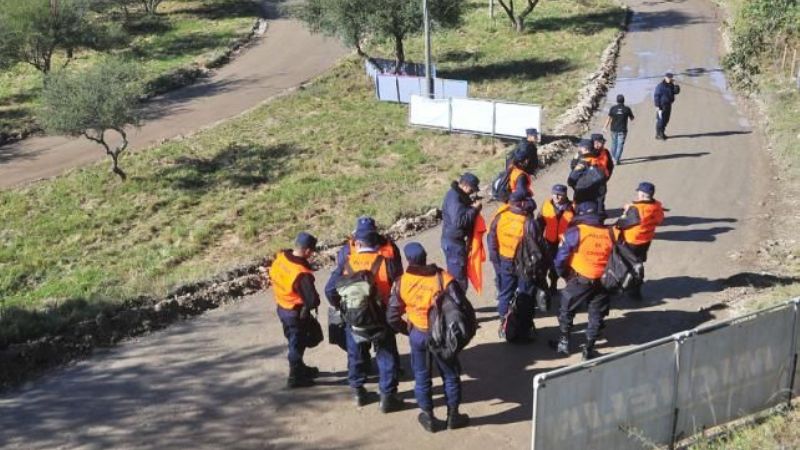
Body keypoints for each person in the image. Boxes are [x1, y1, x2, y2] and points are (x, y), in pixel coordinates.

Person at [387, 242, 470, 433]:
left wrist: (408, 329)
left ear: (408, 260)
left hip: (418, 334)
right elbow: (461, 305)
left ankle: (429, 417)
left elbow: (392, 316)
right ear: (425, 256)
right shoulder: (443, 278)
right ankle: (453, 416)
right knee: (450, 375)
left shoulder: (402, 282)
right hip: (441, 336)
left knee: (422, 377)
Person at [324, 217, 404, 411]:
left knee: (356, 355)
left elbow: (329, 290)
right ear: (375, 239)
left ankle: (359, 392)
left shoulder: (347, 260)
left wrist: (343, 307)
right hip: (381, 317)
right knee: (386, 355)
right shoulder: (386, 261)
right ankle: (387, 397)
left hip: (354, 318)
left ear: (357, 241)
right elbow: (399, 285)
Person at [552, 202, 613, 361]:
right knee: (596, 315)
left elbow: (560, 258)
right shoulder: (611, 233)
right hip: (602, 281)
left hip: (579, 279)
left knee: (566, 308)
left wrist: (564, 275)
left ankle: (564, 342)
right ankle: (589, 348)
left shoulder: (576, 232)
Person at [269, 232, 321, 388]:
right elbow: (312, 300)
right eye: (312, 251)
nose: (312, 255)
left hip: (282, 307)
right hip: (295, 313)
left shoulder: (281, 257)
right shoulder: (300, 273)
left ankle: (299, 368)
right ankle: (295, 377)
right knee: (297, 344)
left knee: (294, 340)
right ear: (307, 251)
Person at [487, 191, 539, 341]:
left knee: (505, 294)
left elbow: (492, 241)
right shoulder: (528, 222)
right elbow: (536, 246)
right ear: (522, 203)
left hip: (505, 261)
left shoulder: (500, 218)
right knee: (525, 295)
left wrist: (496, 262)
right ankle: (523, 328)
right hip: (523, 263)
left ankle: (504, 323)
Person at [614, 182, 665, 299]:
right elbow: (659, 220)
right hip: (646, 240)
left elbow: (621, 224)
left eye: (638, 192)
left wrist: (626, 212)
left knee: (624, 264)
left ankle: (624, 287)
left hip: (631, 241)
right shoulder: (656, 206)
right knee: (638, 263)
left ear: (642, 194)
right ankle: (636, 291)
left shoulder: (636, 209)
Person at [441, 173, 482, 291]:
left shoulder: (458, 196)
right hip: (453, 243)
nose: (472, 192)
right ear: (465, 186)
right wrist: (474, 210)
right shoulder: (455, 198)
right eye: (472, 189)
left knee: (458, 276)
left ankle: (456, 304)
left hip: (454, 241)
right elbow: (459, 222)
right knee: (458, 279)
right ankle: (456, 306)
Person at [537, 184, 575, 294]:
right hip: (549, 242)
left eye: (559, 195)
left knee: (565, 267)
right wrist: (538, 237)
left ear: (565, 195)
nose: (556, 197)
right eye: (554, 194)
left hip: (565, 243)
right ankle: (550, 287)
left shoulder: (572, 208)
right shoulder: (546, 205)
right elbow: (540, 222)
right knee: (546, 265)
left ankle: (571, 289)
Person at [568, 139, 610, 217]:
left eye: (581, 147)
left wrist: (576, 186)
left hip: (583, 193)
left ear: (586, 149)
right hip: (596, 191)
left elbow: (571, 180)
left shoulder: (583, 162)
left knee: (579, 213)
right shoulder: (597, 158)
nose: (579, 149)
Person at [603, 94, 635, 164]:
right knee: (620, 145)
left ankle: (612, 158)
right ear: (624, 101)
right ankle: (616, 160)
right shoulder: (627, 109)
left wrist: (605, 127)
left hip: (613, 129)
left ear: (617, 101)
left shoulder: (613, 108)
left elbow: (609, 118)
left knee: (614, 144)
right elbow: (632, 118)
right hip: (622, 130)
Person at [654, 72, 680, 140]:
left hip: (668, 105)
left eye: (671, 78)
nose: (670, 79)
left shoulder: (671, 85)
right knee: (660, 120)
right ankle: (658, 134)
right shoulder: (660, 86)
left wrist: (676, 85)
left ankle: (662, 133)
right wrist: (657, 106)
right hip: (661, 106)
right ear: (665, 78)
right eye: (668, 78)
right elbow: (656, 96)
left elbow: (676, 92)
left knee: (666, 120)